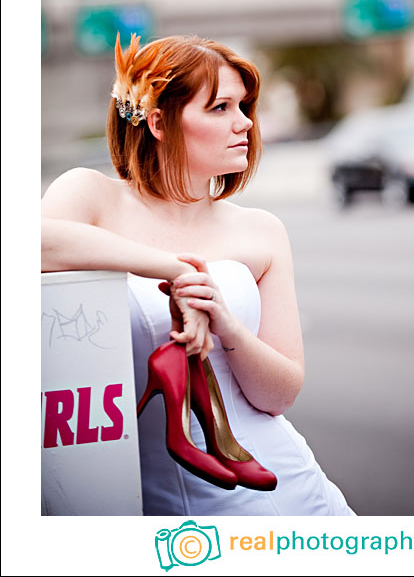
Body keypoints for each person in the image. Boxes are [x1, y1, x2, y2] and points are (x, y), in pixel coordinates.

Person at [42, 33, 355, 516]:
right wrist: (171, 269)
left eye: (244, 106)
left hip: (288, 494)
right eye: (220, 107)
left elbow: (279, 396)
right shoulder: (89, 196)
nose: (245, 123)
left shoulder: (262, 230)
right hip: (151, 510)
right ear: (159, 122)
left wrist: (227, 325)